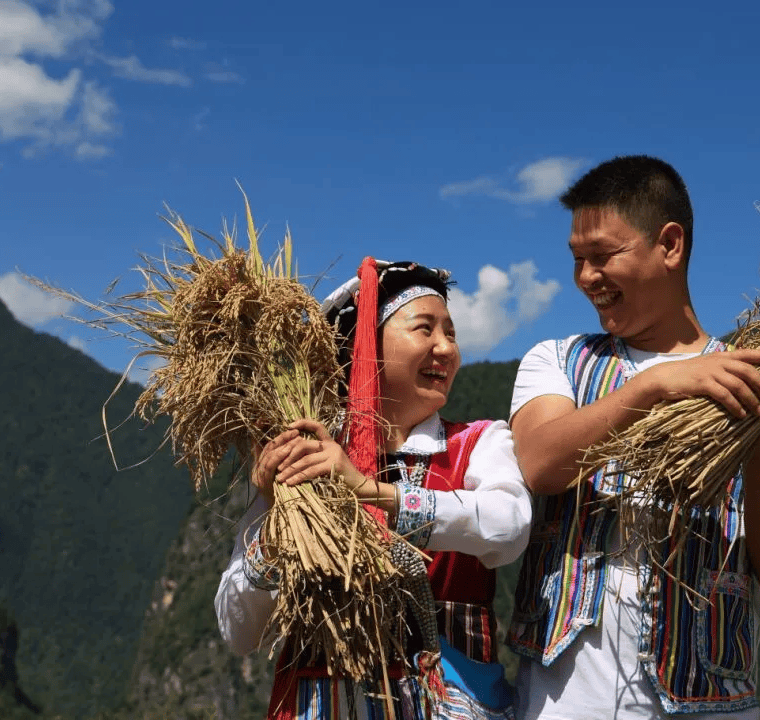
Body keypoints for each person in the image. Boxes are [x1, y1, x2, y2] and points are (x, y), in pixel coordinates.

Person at [506, 156, 760, 719]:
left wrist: (759, 445)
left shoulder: (755, 381)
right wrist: (649, 389)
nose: (585, 278)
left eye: (602, 256)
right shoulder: (555, 362)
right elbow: (536, 462)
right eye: (577, 260)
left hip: (709, 704)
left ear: (669, 245)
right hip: (566, 702)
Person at [215, 258, 532, 720]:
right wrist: (276, 519)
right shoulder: (305, 463)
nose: (446, 347)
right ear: (364, 349)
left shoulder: (476, 443)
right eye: (425, 329)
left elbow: (510, 527)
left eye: (452, 332)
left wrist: (371, 490)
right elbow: (237, 633)